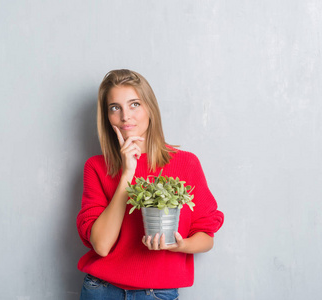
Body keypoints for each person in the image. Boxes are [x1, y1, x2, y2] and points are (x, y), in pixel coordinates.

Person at [77, 69, 224, 300]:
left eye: (134, 104)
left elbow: (207, 237)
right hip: (101, 290)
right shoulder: (96, 167)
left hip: (157, 294)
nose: (126, 116)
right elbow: (102, 246)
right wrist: (127, 172)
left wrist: (179, 246)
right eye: (115, 107)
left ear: (150, 108)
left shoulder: (186, 164)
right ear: (107, 116)